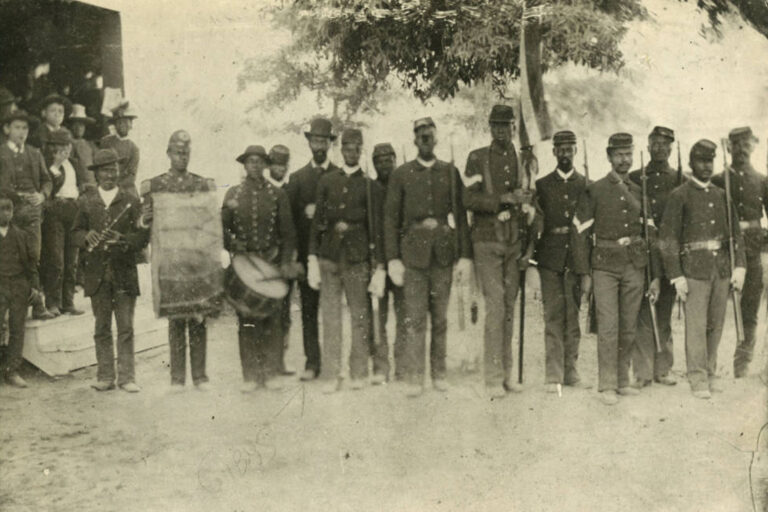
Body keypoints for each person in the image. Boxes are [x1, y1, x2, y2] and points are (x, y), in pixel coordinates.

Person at [571, 133, 661, 406]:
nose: (625, 160)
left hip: (634, 265)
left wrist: (655, 275)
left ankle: (622, 380)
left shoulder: (638, 191)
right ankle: (607, 384)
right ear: (609, 157)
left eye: (628, 154)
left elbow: (652, 235)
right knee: (608, 327)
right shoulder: (595, 190)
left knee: (628, 326)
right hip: (604, 267)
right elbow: (579, 234)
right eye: (619, 154)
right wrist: (585, 273)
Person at [384, 117, 472, 396]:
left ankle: (439, 374)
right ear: (414, 140)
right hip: (413, 256)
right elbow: (390, 219)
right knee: (414, 318)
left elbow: (460, 217)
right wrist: (393, 259)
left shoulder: (449, 172)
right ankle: (414, 377)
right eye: (420, 136)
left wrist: (464, 257)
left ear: (436, 139)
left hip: (443, 255)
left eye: (429, 136)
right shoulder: (401, 174)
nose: (425, 140)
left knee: (441, 318)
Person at [660, 140, 746, 398]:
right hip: (694, 271)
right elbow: (667, 239)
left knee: (715, 324)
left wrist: (739, 266)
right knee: (696, 326)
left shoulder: (721, 195)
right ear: (691, 163)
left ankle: (710, 372)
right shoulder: (680, 195)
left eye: (710, 161)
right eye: (701, 161)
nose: (706, 166)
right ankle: (697, 378)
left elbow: (735, 236)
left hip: (720, 269)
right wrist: (676, 275)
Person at [307, 128, 386, 392]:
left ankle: (359, 371)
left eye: (356, 148)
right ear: (340, 149)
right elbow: (317, 223)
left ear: (361, 150)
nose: (351, 152)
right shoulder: (327, 182)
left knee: (360, 316)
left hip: (357, 257)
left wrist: (379, 267)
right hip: (330, 256)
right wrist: (312, 258)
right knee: (330, 317)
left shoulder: (370, 186)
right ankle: (331, 374)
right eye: (347, 147)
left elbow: (376, 228)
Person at [463, 105, 534, 398]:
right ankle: (492, 378)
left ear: (513, 128)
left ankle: (506, 375)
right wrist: (501, 200)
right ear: (490, 127)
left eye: (506, 125)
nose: (501, 131)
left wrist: (525, 202)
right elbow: (468, 198)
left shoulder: (522, 160)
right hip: (487, 241)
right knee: (495, 307)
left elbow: (529, 196)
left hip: (513, 242)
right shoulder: (477, 158)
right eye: (496, 125)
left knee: (508, 308)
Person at [140, 130, 214, 391]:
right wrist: (145, 221)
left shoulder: (200, 184)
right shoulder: (156, 185)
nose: (182, 157)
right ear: (168, 154)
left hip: (194, 260)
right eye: (177, 152)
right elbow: (145, 221)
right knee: (175, 318)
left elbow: (208, 223)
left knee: (197, 316)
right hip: (171, 262)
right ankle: (177, 378)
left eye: (186, 153)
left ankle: (201, 376)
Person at [72, 149, 148, 392]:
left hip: (124, 273)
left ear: (119, 171)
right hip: (96, 275)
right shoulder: (86, 202)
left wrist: (124, 239)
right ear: (96, 174)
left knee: (125, 327)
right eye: (104, 170)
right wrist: (86, 236)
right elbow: (73, 233)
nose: (109, 174)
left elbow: (143, 236)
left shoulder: (131, 201)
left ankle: (127, 378)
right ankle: (105, 376)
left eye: (113, 169)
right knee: (101, 327)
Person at [222, 145, 297, 392]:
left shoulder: (277, 195)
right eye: (250, 161)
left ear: (265, 165)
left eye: (259, 161)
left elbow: (288, 234)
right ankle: (251, 376)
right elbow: (222, 230)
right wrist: (233, 242)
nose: (254, 165)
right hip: (245, 266)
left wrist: (285, 263)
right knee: (247, 319)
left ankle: (272, 372)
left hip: (272, 263)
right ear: (244, 165)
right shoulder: (233, 194)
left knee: (273, 319)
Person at [286, 117, 342, 381]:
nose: (319, 145)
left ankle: (333, 363)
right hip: (308, 257)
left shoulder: (339, 175)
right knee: (308, 311)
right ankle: (312, 362)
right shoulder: (297, 179)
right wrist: (296, 258)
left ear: (330, 144)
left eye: (323, 140)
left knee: (332, 311)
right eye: (315, 140)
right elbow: (289, 224)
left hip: (333, 255)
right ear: (309, 143)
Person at [533, 130, 589, 393]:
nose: (565, 154)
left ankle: (571, 371)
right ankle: (553, 374)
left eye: (569, 149)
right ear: (553, 152)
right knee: (553, 316)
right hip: (550, 259)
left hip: (576, 258)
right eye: (560, 149)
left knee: (573, 316)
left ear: (575, 151)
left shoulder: (586, 184)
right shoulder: (542, 185)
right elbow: (537, 222)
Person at [711, 127, 768, 378]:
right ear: (728, 147)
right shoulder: (716, 180)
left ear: (754, 147)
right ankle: (709, 361)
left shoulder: (763, 181)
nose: (742, 149)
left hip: (753, 251)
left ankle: (742, 363)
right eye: (737, 145)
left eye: (747, 144)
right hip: (725, 252)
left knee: (750, 308)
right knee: (716, 307)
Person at [627, 126, 680, 387]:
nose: (659, 148)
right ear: (647, 146)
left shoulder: (680, 178)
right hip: (644, 246)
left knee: (665, 309)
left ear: (671, 148)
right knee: (642, 310)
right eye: (654, 143)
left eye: (664, 144)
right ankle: (643, 372)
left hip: (669, 247)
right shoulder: (637, 177)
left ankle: (663, 368)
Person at [0, 109, 54, 320]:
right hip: (6, 212)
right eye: (17, 127)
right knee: (7, 256)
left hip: (31, 212)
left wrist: (42, 195)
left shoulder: (34, 153)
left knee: (33, 255)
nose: (21, 132)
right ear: (6, 129)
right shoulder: (1, 152)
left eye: (25, 128)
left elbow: (47, 179)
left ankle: (38, 304)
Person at [41, 129, 87, 316]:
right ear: (53, 148)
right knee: (56, 259)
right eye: (61, 146)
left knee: (72, 259)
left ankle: (68, 302)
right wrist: (55, 166)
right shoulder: (48, 165)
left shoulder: (74, 164)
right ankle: (52, 303)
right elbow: (49, 186)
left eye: (67, 146)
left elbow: (82, 185)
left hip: (73, 210)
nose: (65, 150)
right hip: (56, 212)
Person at [0, 188, 43, 387]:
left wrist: (34, 287)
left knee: (17, 328)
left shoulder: (21, 235)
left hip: (18, 285)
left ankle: (12, 370)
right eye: (0, 209)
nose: (4, 214)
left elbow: (31, 263)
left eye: (8, 209)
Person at [370, 142, 405, 383]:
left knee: (404, 316)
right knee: (377, 317)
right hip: (377, 263)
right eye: (379, 160)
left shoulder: (405, 186)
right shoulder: (368, 189)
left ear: (395, 160)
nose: (384, 164)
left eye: (388, 159)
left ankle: (402, 367)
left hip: (401, 261)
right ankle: (381, 368)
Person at [266, 144, 297, 375]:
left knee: (284, 311)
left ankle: (280, 360)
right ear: (270, 166)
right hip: (265, 259)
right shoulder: (263, 190)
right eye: (276, 165)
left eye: (283, 165)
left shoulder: (292, 189)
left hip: (285, 258)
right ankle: (264, 360)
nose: (280, 169)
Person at [101, 102, 139, 197]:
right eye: (119, 122)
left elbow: (131, 176)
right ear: (115, 124)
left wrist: (116, 186)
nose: (122, 125)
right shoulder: (106, 142)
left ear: (131, 125)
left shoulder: (133, 148)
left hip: (125, 188)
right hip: (105, 184)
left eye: (126, 122)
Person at [67, 104, 97, 186]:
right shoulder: (68, 144)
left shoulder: (90, 145)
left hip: (93, 185)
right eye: (75, 124)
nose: (79, 128)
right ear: (70, 126)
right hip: (77, 187)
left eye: (81, 125)